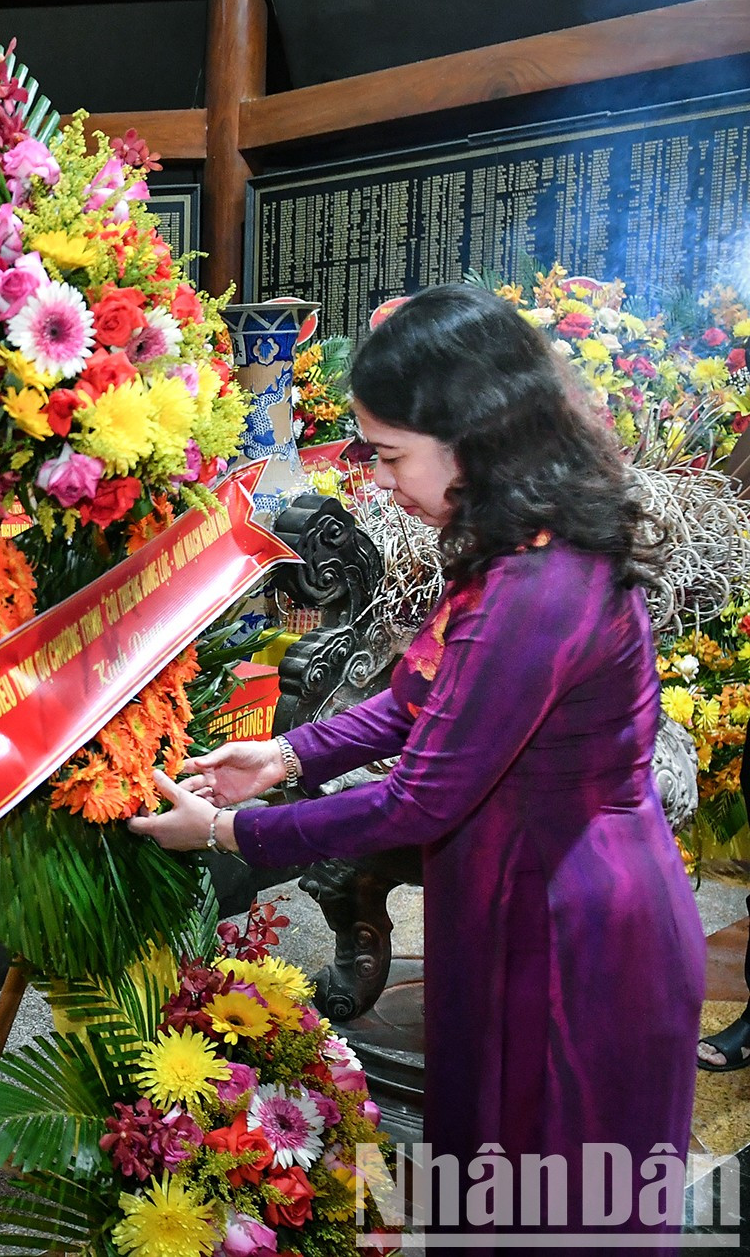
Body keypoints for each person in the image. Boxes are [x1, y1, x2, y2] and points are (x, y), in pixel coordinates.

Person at [130, 284, 705, 1245]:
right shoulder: (514, 543)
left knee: (563, 1201)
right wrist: (283, 754)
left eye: (392, 454)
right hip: (515, 892)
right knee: (500, 1181)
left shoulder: (540, 584)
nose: (382, 479)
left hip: (575, 925)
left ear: (474, 436)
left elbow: (420, 799)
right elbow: (415, 697)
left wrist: (230, 831)